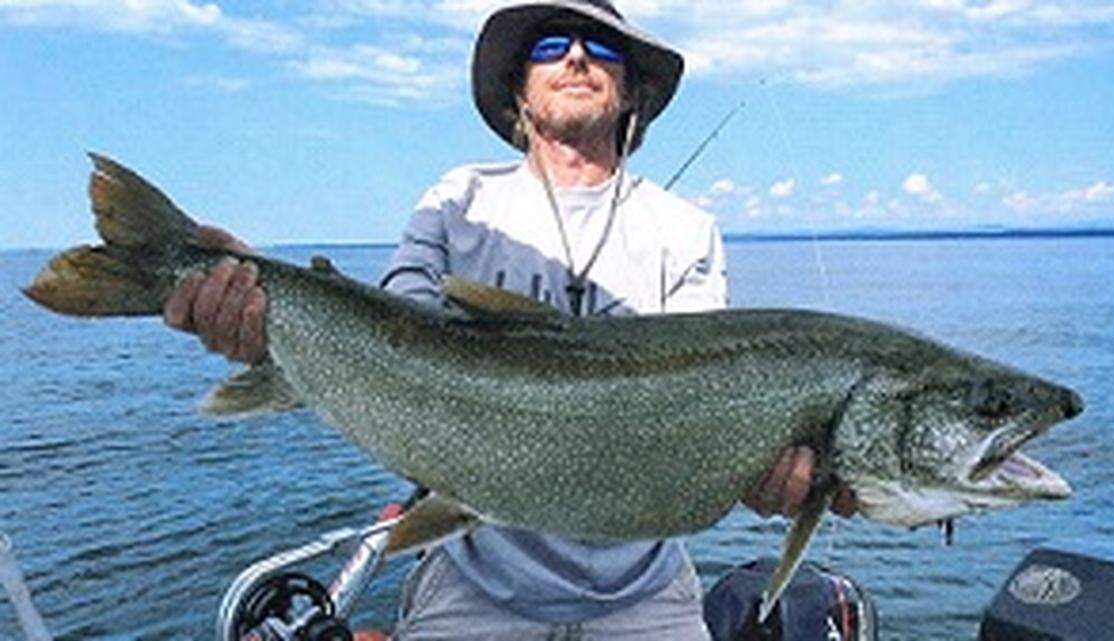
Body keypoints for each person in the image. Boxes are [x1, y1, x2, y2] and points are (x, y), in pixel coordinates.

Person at [163, 1, 854, 638]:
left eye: (602, 47)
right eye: (551, 45)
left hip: (646, 596)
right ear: (520, 89)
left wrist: (768, 471)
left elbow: (705, 405)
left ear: (632, 91)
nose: (576, 56)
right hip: (471, 583)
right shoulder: (459, 201)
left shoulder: (685, 229)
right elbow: (390, 337)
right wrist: (265, 303)